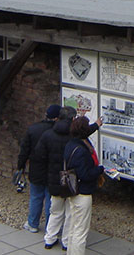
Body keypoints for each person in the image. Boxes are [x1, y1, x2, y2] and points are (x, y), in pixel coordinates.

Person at [63, 116, 105, 255]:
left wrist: (96, 125)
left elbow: (84, 131)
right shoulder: (81, 151)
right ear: (84, 131)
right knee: (81, 231)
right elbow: (85, 174)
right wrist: (100, 169)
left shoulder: (71, 144)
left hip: (74, 191)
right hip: (83, 193)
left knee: (73, 227)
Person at [16, 104, 61, 232]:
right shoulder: (58, 133)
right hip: (52, 170)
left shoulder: (33, 129)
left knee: (36, 197)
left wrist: (20, 166)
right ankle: (49, 228)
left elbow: (24, 150)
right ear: (57, 118)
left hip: (36, 168)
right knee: (50, 201)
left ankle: (32, 224)